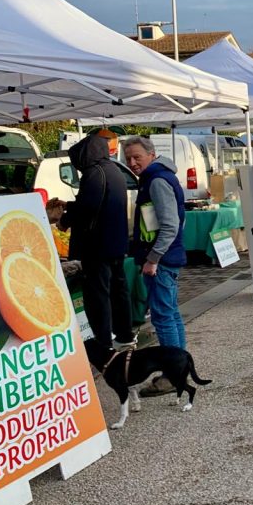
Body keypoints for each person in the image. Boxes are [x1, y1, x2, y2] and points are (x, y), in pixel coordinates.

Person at [61, 134, 133, 350]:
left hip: (97, 244)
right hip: (116, 242)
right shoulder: (114, 170)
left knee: (97, 293)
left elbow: (88, 207)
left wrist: (66, 218)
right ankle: (124, 333)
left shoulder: (94, 173)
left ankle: (102, 341)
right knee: (118, 289)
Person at [124, 136, 188, 353]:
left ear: (151, 155)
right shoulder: (156, 177)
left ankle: (172, 372)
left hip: (161, 261)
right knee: (170, 313)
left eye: (137, 157)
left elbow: (170, 225)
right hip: (165, 257)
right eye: (128, 158)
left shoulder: (157, 181)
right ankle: (179, 365)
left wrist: (153, 259)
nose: (132, 163)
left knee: (162, 317)